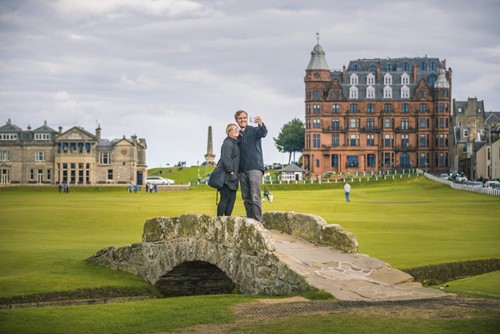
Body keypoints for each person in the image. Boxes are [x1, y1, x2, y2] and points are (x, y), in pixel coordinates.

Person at [235, 110, 268, 222]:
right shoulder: (237, 135)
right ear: (236, 120)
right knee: (246, 198)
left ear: (247, 119)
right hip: (241, 170)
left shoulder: (254, 130)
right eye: (240, 118)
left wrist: (261, 124)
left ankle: (258, 223)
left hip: (254, 167)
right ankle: (250, 222)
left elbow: (263, 133)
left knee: (255, 197)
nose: (243, 120)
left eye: (244, 118)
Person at [217, 123, 240, 216]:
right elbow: (226, 159)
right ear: (228, 132)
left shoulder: (235, 143)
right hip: (227, 177)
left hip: (233, 177)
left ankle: (227, 221)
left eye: (237, 129)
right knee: (225, 199)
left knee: (231, 200)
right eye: (233, 129)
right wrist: (231, 171)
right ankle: (219, 222)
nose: (235, 130)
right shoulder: (227, 142)